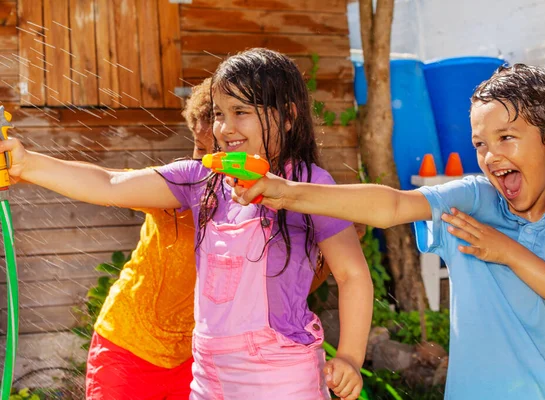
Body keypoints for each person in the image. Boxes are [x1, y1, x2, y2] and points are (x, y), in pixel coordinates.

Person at [2, 48, 373, 400]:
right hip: (209, 377)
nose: (225, 127)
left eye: (241, 111)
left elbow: (352, 274)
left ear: (288, 117)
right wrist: (27, 164)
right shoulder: (200, 181)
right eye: (218, 113)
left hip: (279, 377)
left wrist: (351, 357)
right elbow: (108, 182)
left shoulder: (309, 186)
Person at [231, 64, 545, 400]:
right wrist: (289, 192)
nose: (490, 156)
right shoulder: (473, 199)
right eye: (480, 144)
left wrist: (506, 251)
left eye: (506, 138)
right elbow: (391, 206)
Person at [86, 78, 214, 399]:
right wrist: (28, 165)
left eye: (221, 153)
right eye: (200, 148)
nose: (208, 164)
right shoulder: (179, 185)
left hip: (194, 356)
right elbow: (109, 183)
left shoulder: (258, 202)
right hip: (128, 348)